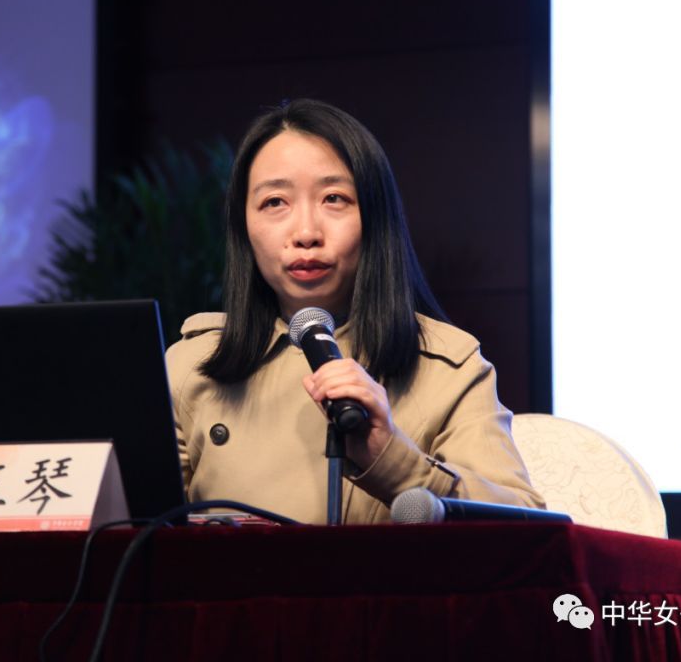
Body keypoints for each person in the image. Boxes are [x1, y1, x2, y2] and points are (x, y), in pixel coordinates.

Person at [165, 99, 543, 523]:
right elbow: (131, 532)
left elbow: (525, 526)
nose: (306, 233)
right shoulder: (189, 367)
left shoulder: (448, 369)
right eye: (274, 202)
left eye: (334, 198)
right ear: (244, 227)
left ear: (374, 219)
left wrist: (391, 459)